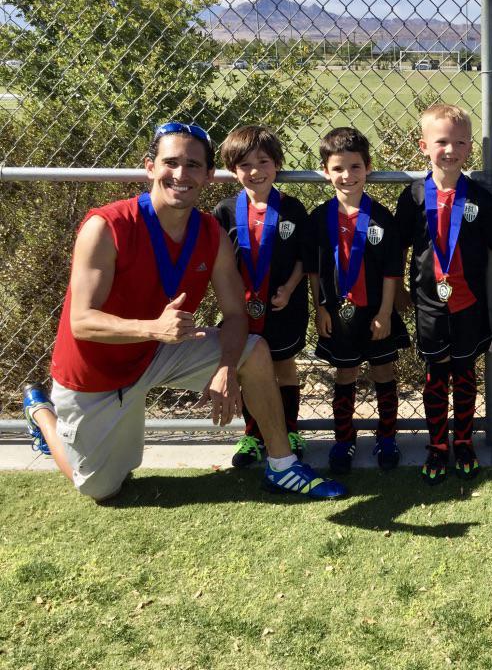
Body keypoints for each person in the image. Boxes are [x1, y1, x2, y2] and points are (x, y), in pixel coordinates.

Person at [21, 121, 346, 500]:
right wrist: (152, 328)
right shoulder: (106, 226)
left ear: (209, 175)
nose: (181, 174)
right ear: (150, 167)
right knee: (101, 488)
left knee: (254, 350)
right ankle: (42, 415)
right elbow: (82, 322)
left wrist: (227, 367)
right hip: (96, 373)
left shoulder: (210, 232)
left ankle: (283, 466)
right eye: (170, 162)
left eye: (193, 165)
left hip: (158, 349)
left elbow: (236, 315)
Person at [395, 104, 492, 484]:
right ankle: (436, 445)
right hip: (428, 303)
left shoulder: (479, 197)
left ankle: (463, 441)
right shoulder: (413, 196)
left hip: (469, 302)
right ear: (424, 146)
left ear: (470, 147)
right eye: (442, 141)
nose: (450, 149)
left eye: (460, 142)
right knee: (435, 373)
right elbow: (399, 249)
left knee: (464, 371)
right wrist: (397, 291)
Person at [307, 127, 410, 474]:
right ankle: (343, 439)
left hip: (376, 312)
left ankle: (387, 437)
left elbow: (392, 272)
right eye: (338, 168)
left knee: (383, 370)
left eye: (355, 167)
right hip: (338, 314)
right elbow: (314, 271)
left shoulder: (381, 217)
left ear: (368, 168)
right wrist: (320, 307)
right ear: (326, 172)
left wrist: (385, 312)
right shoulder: (319, 218)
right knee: (345, 372)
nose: (347, 175)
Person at [212, 126, 310, 468]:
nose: (255, 171)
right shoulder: (225, 211)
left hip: (284, 307)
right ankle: (254, 435)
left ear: (277, 164)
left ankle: (290, 431)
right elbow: (220, 264)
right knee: (247, 370)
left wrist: (290, 287)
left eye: (263, 162)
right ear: (232, 170)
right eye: (245, 165)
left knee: (284, 367)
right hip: (242, 311)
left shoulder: (292, 209)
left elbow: (303, 258)